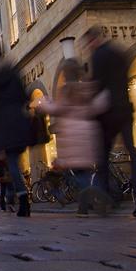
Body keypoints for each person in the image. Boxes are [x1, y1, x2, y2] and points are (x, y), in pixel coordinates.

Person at [84, 27, 136, 217]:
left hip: (107, 114)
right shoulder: (119, 53)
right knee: (134, 157)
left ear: (93, 40)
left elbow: (97, 85)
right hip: (125, 109)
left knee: (102, 159)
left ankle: (105, 201)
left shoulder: (98, 56)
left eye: (88, 42)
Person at [36, 58, 110, 215]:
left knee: (78, 174)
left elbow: (56, 109)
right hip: (88, 132)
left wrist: (44, 103)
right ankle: (84, 206)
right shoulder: (87, 88)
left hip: (71, 134)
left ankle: (92, 192)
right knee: (88, 171)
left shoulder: (66, 91)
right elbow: (97, 106)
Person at [0, 43, 36, 217]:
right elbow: (24, 95)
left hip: (0, 124)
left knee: (12, 163)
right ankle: (21, 196)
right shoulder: (12, 72)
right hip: (17, 121)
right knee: (15, 160)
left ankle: (23, 198)